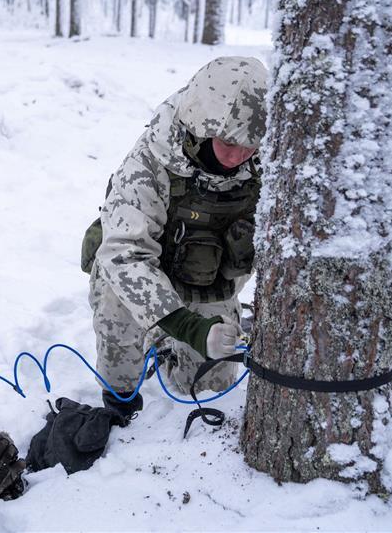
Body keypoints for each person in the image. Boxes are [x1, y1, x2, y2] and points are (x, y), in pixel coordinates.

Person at [83, 56, 268, 419]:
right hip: (137, 274)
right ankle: (121, 398)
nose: (240, 154)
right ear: (201, 127)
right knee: (115, 305)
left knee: (207, 389)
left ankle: (168, 341)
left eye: (251, 143)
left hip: (209, 279)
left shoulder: (269, 159)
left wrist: (205, 331)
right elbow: (125, 256)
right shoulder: (150, 162)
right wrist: (187, 326)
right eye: (228, 142)